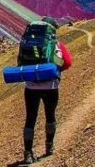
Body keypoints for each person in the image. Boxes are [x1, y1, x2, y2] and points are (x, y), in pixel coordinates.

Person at [21, 17, 72, 165]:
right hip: (51, 87)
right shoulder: (56, 44)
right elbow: (67, 62)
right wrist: (54, 71)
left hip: (31, 87)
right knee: (50, 116)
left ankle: (28, 153)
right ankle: (49, 146)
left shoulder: (29, 42)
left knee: (30, 118)